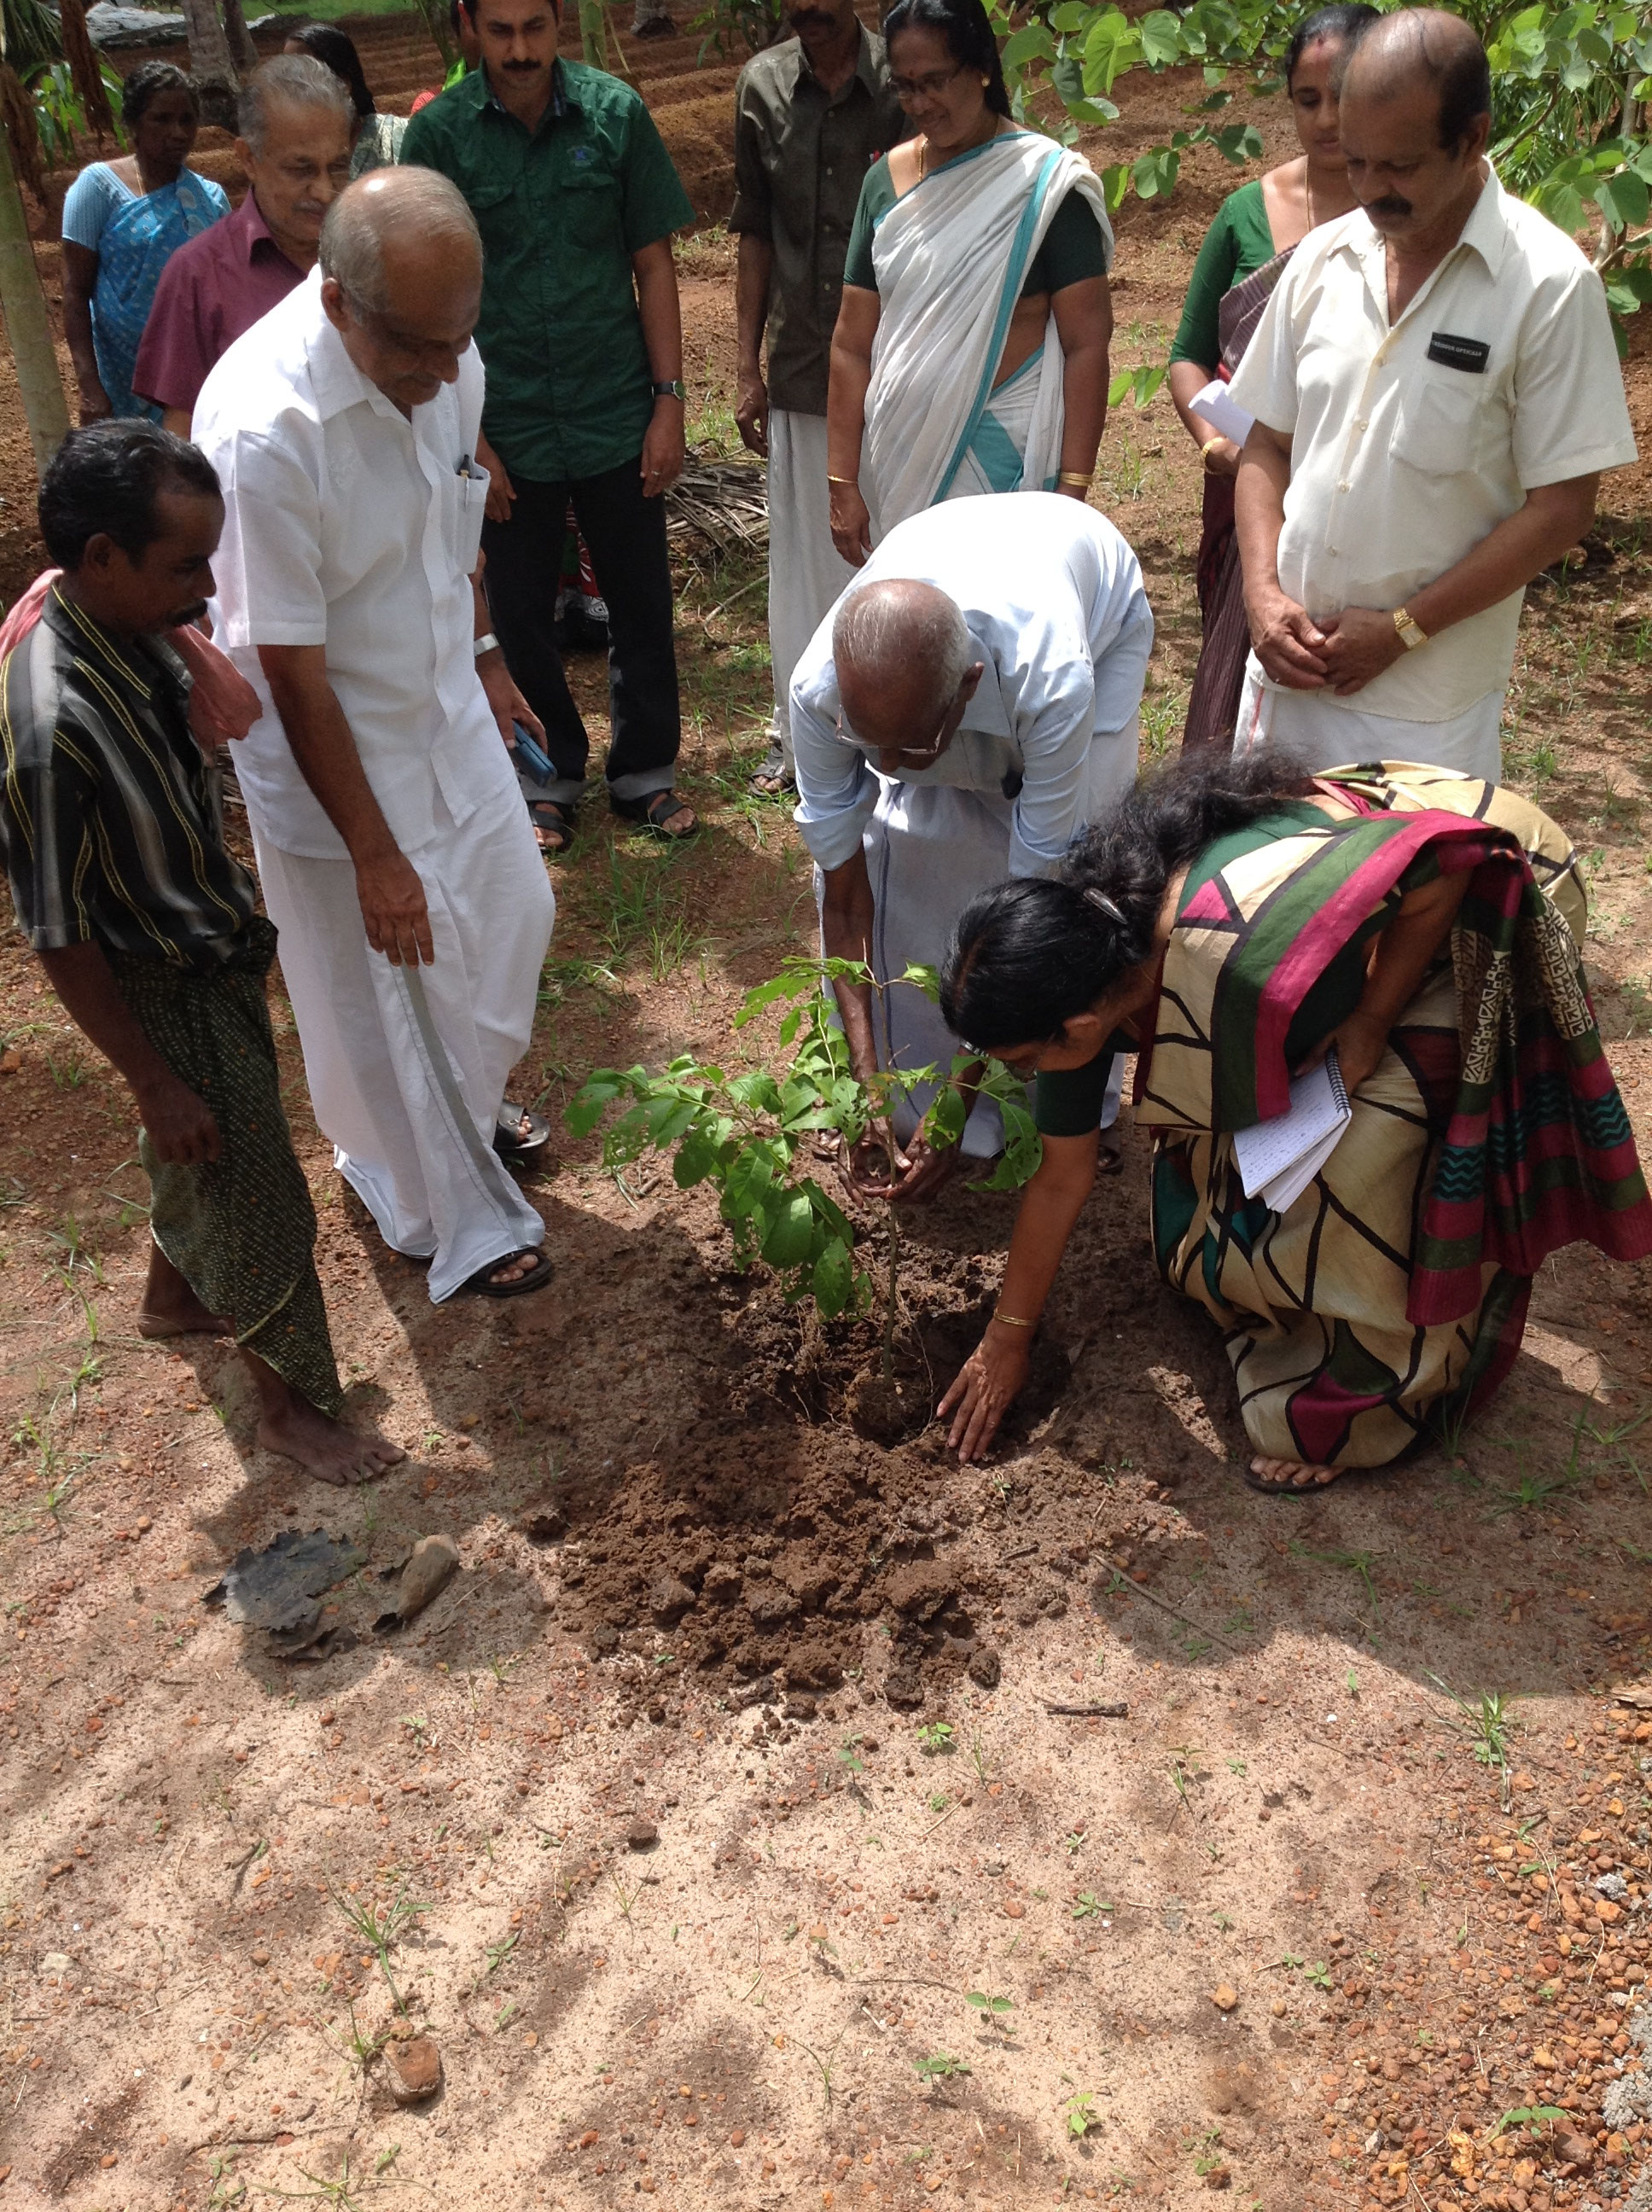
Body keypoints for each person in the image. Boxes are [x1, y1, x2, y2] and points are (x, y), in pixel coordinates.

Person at [935, 752, 1652, 1486]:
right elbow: (1062, 1176)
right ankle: (1274, 1285)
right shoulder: (1084, 961)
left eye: (1023, 1060)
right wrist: (1006, 1339)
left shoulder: (1231, 949)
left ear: (1079, 1029)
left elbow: (1441, 870)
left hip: (1482, 886)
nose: (1022, 1075)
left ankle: (1371, 1397)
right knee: (1238, 1145)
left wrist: (1370, 1021)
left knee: (1369, 1149)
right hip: (1368, 900)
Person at [0, 422, 405, 1485]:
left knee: (206, 1153)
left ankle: (172, 1296)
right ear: (102, 558)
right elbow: (57, 933)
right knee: (258, 1188)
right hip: (161, 982)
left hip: (204, 945)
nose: (205, 590)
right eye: (184, 567)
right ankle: (291, 1411)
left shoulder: (128, 625)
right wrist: (153, 1079)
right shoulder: (52, 727)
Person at [193, 170, 557, 1302]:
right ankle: (450, 1215)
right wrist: (375, 853)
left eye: (460, 339)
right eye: (420, 347)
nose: (448, 372)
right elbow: (291, 667)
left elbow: (454, 523)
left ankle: (458, 1112)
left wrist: (486, 658)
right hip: (336, 747)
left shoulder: (445, 357)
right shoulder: (265, 431)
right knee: (398, 987)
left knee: (514, 913)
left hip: (442, 704)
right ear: (338, 302)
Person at [1230, 8, 1637, 780]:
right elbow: (1267, 442)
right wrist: (1260, 593)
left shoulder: (1547, 287)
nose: (1370, 190)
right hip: (1285, 690)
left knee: (1413, 869)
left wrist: (1404, 630)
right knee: (1267, 864)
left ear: (1473, 138)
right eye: (1357, 162)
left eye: (1401, 167)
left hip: (1424, 715)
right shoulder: (1322, 259)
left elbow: (1563, 508)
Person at [402, 0, 700, 856]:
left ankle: (644, 771)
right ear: (469, 26)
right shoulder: (440, 138)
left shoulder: (615, 116)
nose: (520, 50)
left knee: (640, 601)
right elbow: (424, 293)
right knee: (519, 610)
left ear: (558, 21)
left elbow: (652, 262)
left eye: (535, 28)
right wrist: (471, 438)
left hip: (615, 409)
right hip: (505, 425)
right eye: (500, 31)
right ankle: (546, 774)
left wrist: (669, 401)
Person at [790, 492, 1151, 1194]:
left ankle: (1071, 1111)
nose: (888, 767)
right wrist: (865, 1084)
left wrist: (959, 1094)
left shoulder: (1053, 681)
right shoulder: (818, 693)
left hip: (1094, 609)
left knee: (1085, 881)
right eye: (872, 745)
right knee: (899, 844)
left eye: (909, 746)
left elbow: (1036, 899)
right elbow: (845, 899)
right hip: (958, 580)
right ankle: (897, 1098)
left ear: (968, 687)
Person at [825, 0, 1114, 564]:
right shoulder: (883, 185)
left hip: (1008, 464)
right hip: (903, 460)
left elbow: (1087, 344)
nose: (920, 104)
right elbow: (851, 344)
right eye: (905, 87)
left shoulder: (1045, 187)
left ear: (981, 67)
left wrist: (1073, 490)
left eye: (935, 82)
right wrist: (842, 480)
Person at [1168, 3, 1376, 753]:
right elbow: (1188, 356)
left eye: (1344, 96)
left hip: (1363, 493)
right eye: (1307, 100)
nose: (1327, 120)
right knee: (1241, 670)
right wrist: (1217, 445)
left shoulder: (1409, 217)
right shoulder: (1246, 214)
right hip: (1249, 485)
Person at [730, 0, 905, 795]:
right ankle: (802, 735)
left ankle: (899, 721)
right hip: (803, 364)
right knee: (804, 562)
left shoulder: (905, 80)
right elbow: (755, 232)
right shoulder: (761, 88)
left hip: (898, 368)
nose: (810, 10)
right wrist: (745, 366)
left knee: (893, 548)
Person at [132, 56, 355, 436]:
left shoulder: (374, 254)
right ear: (248, 159)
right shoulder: (197, 275)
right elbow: (183, 431)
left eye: (337, 166)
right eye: (301, 169)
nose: (323, 191)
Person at [61, 64, 229, 424]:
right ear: (133, 123)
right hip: (122, 378)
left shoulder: (211, 199)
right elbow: (75, 293)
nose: (178, 132)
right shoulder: (97, 188)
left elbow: (226, 291)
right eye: (162, 119)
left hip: (199, 377)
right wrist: (89, 387)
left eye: (187, 120)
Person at [284, 22, 409, 176]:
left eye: (300, 75)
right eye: (285, 74)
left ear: (343, 82)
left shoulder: (399, 138)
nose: (290, 86)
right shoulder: (283, 156)